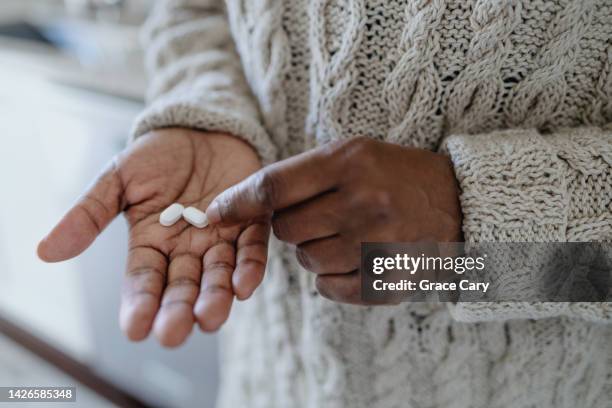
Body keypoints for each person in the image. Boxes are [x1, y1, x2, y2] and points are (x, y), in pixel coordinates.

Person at [38, 0, 611, 407]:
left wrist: (470, 217)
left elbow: (597, 275)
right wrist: (206, 105)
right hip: (273, 377)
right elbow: (194, 10)